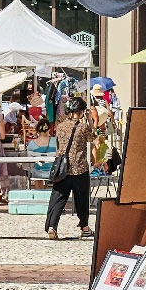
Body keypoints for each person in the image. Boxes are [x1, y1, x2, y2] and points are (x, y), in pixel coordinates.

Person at [46, 90, 95, 241]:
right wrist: (90, 120)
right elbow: (93, 138)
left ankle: (52, 226)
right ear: (81, 112)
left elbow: (59, 146)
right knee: (81, 199)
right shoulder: (83, 127)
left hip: (63, 168)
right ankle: (85, 228)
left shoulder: (60, 126)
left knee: (58, 198)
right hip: (79, 168)